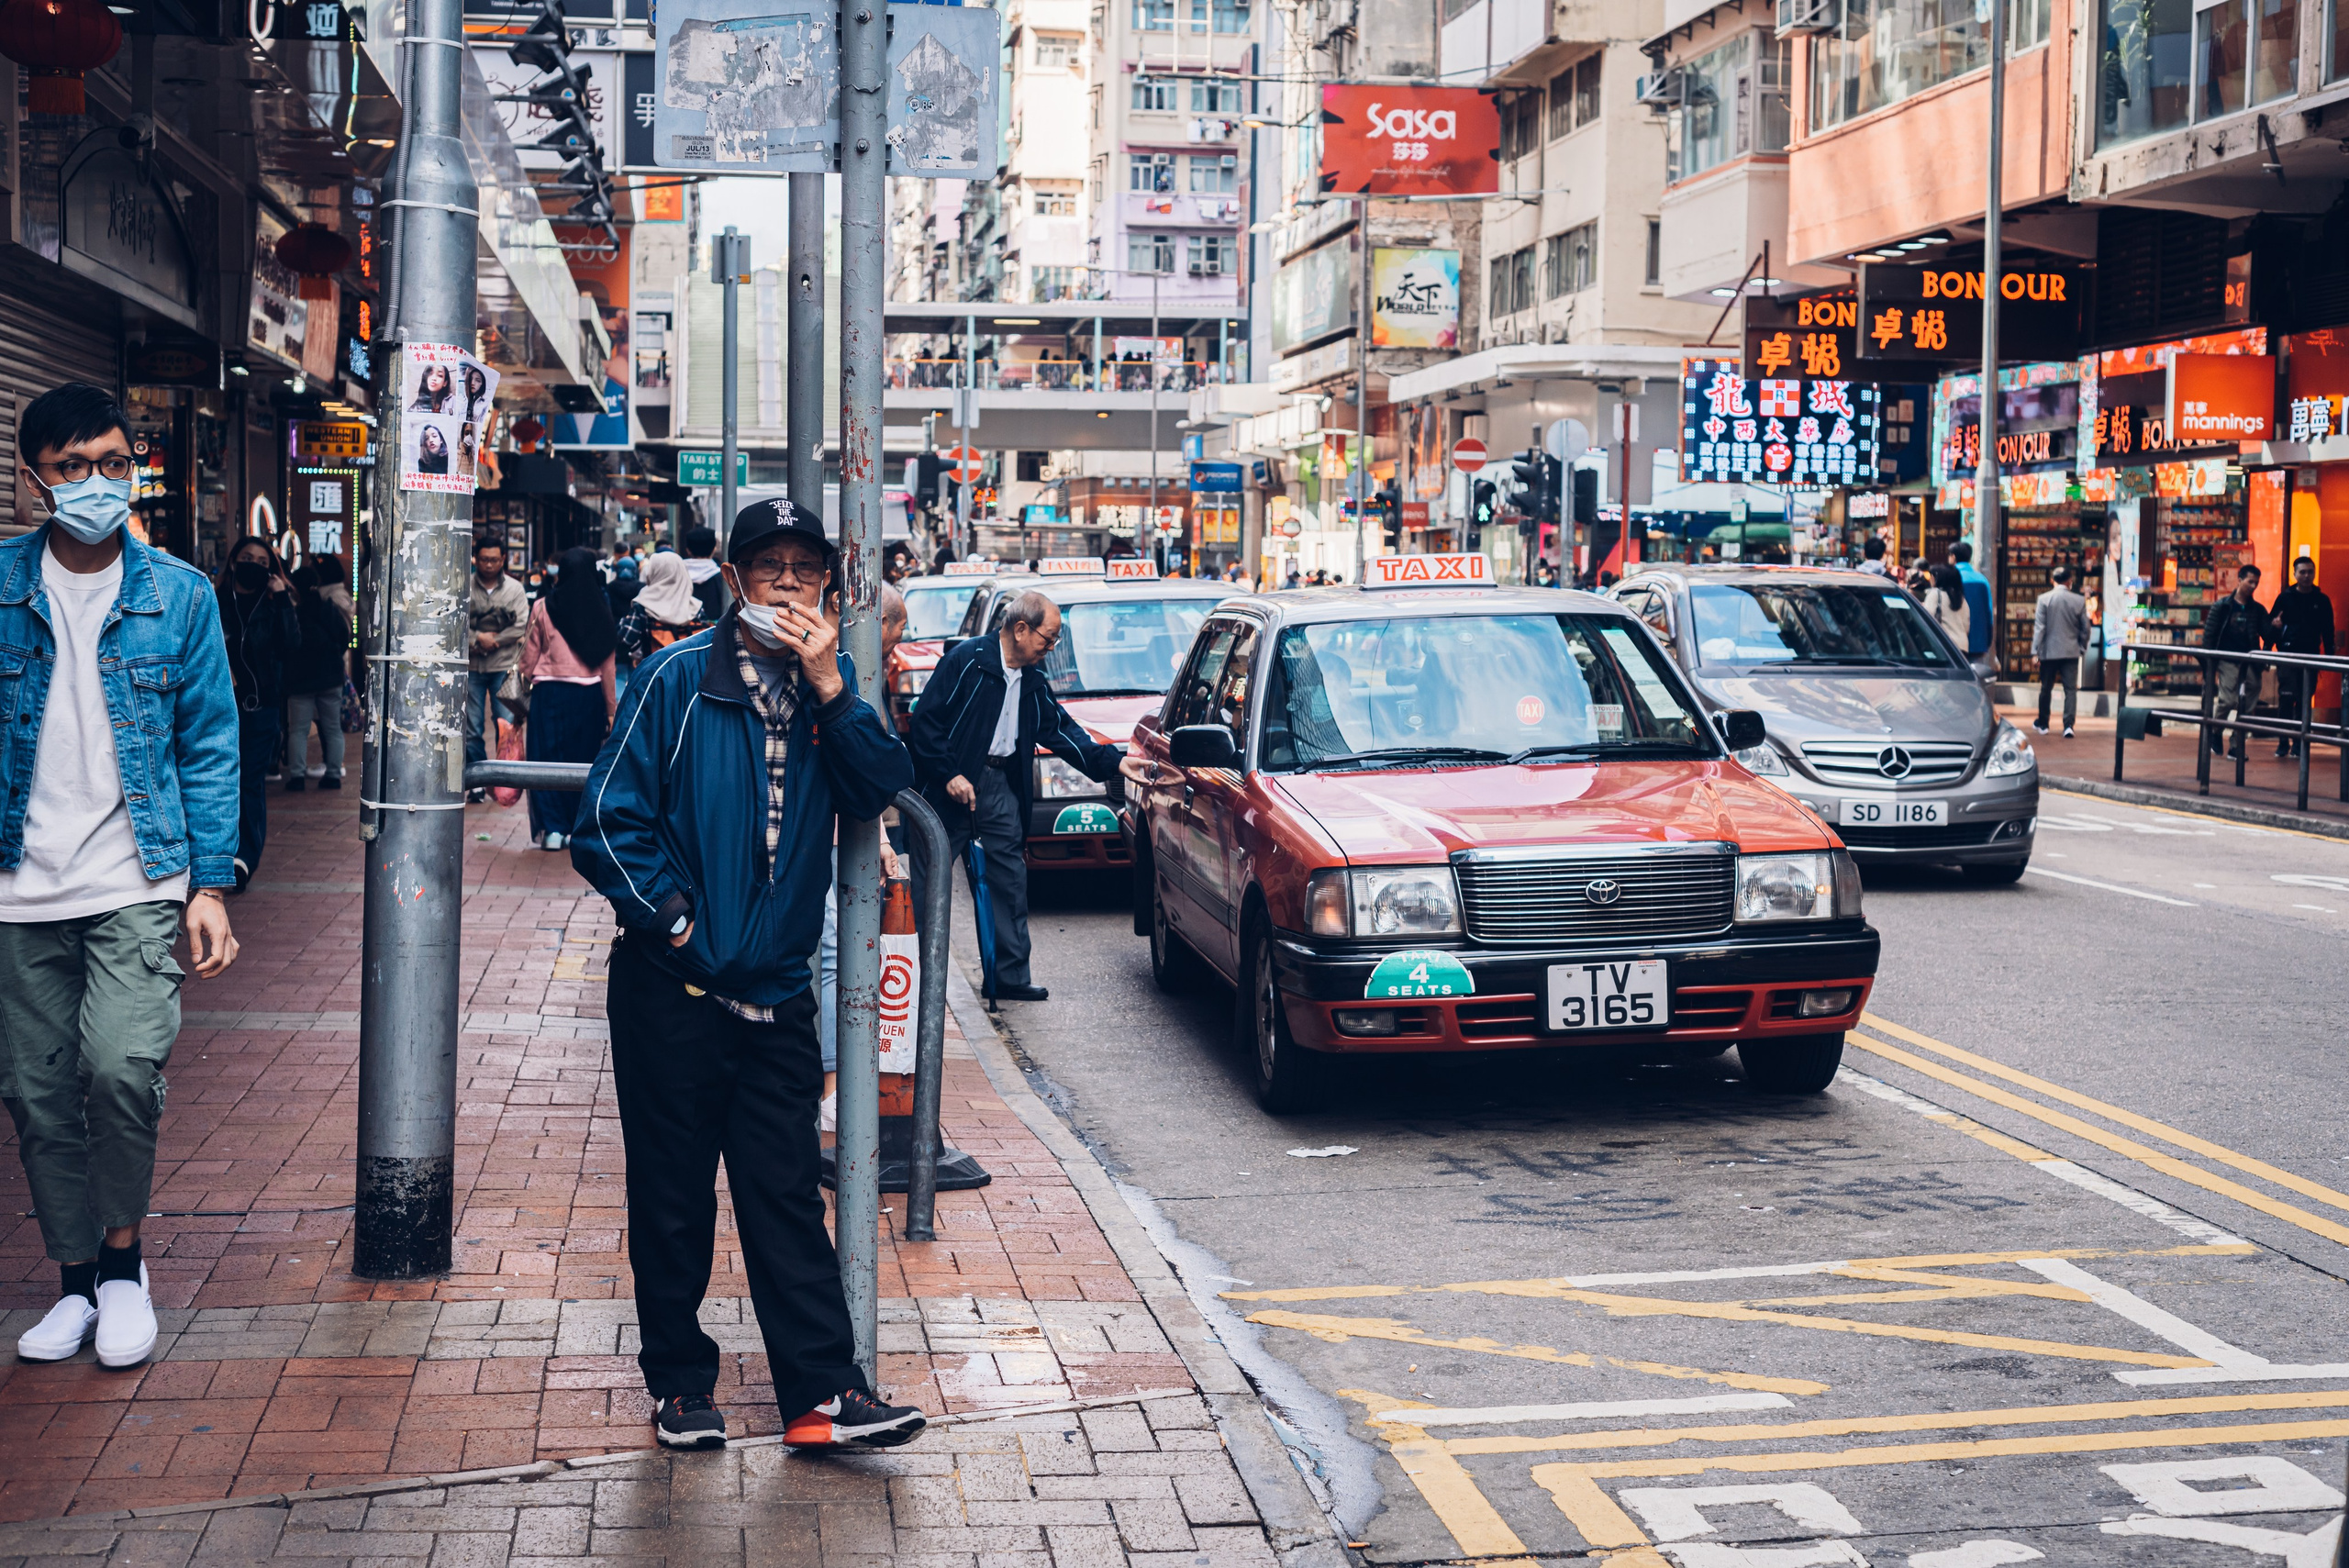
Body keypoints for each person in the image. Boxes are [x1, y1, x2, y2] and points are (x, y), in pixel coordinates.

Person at [569, 498, 927, 1454]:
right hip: (670, 987)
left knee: (782, 1193)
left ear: (828, 588)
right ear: (732, 582)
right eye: (764, 565)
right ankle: (681, 1385)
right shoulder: (675, 678)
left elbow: (877, 784)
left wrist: (832, 689)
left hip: (776, 990)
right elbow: (605, 820)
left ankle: (821, 1392)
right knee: (674, 1192)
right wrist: (679, 924)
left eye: (802, 569)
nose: (784, 582)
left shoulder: (832, 689)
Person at [1, 382, 241, 1371]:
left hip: (138, 876)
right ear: (31, 483)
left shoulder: (179, 594)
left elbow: (211, 744)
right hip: (19, 888)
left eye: (112, 462)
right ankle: (70, 1281)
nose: (96, 483)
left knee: (121, 1068)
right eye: (71, 467)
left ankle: (122, 1265)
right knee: (37, 1089)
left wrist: (211, 885)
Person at [907, 589, 1152, 1003]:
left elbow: (1061, 730)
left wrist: (1114, 762)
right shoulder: (967, 661)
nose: (1052, 646)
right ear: (1020, 629)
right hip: (948, 791)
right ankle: (912, 972)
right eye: (1049, 637)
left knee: (1009, 880)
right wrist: (948, 774)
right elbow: (925, 722)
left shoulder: (1033, 680)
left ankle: (1009, 977)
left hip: (1000, 787)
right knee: (929, 884)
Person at [521, 546, 618, 851]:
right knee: (582, 762)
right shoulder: (601, 609)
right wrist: (612, 709)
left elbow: (528, 657)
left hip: (548, 695)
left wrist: (518, 698)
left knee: (545, 761)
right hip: (587, 697)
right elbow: (608, 665)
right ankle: (577, 828)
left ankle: (552, 829)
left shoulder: (542, 607)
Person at [217, 536, 300, 889]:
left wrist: (282, 597)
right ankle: (212, 853)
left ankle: (243, 858)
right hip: (216, 708)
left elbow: (293, 646)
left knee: (249, 781)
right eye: (248, 557)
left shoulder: (272, 605)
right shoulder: (214, 599)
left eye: (263, 562)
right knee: (217, 779)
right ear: (234, 560)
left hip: (259, 708)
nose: (254, 564)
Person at [282, 561, 352, 790]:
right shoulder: (327, 607)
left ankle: (297, 776)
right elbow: (343, 636)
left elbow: (286, 644)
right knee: (332, 727)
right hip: (330, 676)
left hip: (300, 680)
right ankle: (333, 774)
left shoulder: (293, 611)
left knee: (298, 730)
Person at [466, 536, 528, 796]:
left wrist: (493, 641)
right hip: (471, 667)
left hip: (503, 666)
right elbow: (453, 620)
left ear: (503, 559)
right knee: (471, 727)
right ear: (476, 559)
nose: (488, 565)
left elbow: (521, 624)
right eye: (483, 560)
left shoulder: (515, 589)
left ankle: (503, 781)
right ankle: (478, 780)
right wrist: (476, 638)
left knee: (505, 725)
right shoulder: (464, 585)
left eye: (493, 560)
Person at [2267, 555, 2335, 758]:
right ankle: (2282, 742)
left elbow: (2328, 629)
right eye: (2302, 572)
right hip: (2288, 655)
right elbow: (2273, 623)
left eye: (2310, 572)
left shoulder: (2322, 600)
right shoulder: (2285, 598)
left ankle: (2299, 743)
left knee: (2305, 701)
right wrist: (2267, 647)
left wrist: (2329, 656)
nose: (2306, 576)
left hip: (2311, 656)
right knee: (2287, 699)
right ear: (2294, 574)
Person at [2203, 562, 2270, 761]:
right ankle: (2216, 731)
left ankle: (2236, 744)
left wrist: (2275, 627)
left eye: (2256, 583)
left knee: (2250, 699)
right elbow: (2210, 635)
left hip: (2249, 659)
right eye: (2250, 581)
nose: (2253, 586)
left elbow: (2267, 633)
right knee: (2228, 699)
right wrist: (2208, 662)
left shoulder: (2257, 609)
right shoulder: (2222, 606)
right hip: (2226, 658)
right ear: (2239, 580)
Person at [617, 549, 715, 666]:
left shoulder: (643, 606)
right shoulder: (695, 607)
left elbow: (625, 639)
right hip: (689, 673)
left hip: (653, 673)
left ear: (654, 572)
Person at [2030, 563, 2090, 739]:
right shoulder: (2078, 601)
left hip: (2049, 652)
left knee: (2046, 688)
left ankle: (2043, 723)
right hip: (2071, 651)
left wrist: (2035, 652)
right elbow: (2085, 628)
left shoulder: (2044, 599)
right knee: (2070, 690)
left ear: (2052, 581)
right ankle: (2068, 725)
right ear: (2070, 582)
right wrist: (2081, 647)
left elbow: (2040, 628)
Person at [1950, 540, 1996, 679]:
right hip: (1978, 639)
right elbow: (1989, 612)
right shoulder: (1981, 580)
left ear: (1953, 557)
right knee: (1976, 679)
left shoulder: (1950, 578)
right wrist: (1987, 639)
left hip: (1953, 639)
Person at [1922, 562, 1970, 651]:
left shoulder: (1935, 594)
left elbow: (1926, 620)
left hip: (1944, 647)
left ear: (1937, 578)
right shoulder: (1962, 599)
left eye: (1931, 576)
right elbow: (1966, 626)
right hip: (1962, 647)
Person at [683, 524, 726, 621]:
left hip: (684, 632)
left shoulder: (679, 575)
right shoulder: (722, 577)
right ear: (714, 549)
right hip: (714, 632)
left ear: (688, 550)